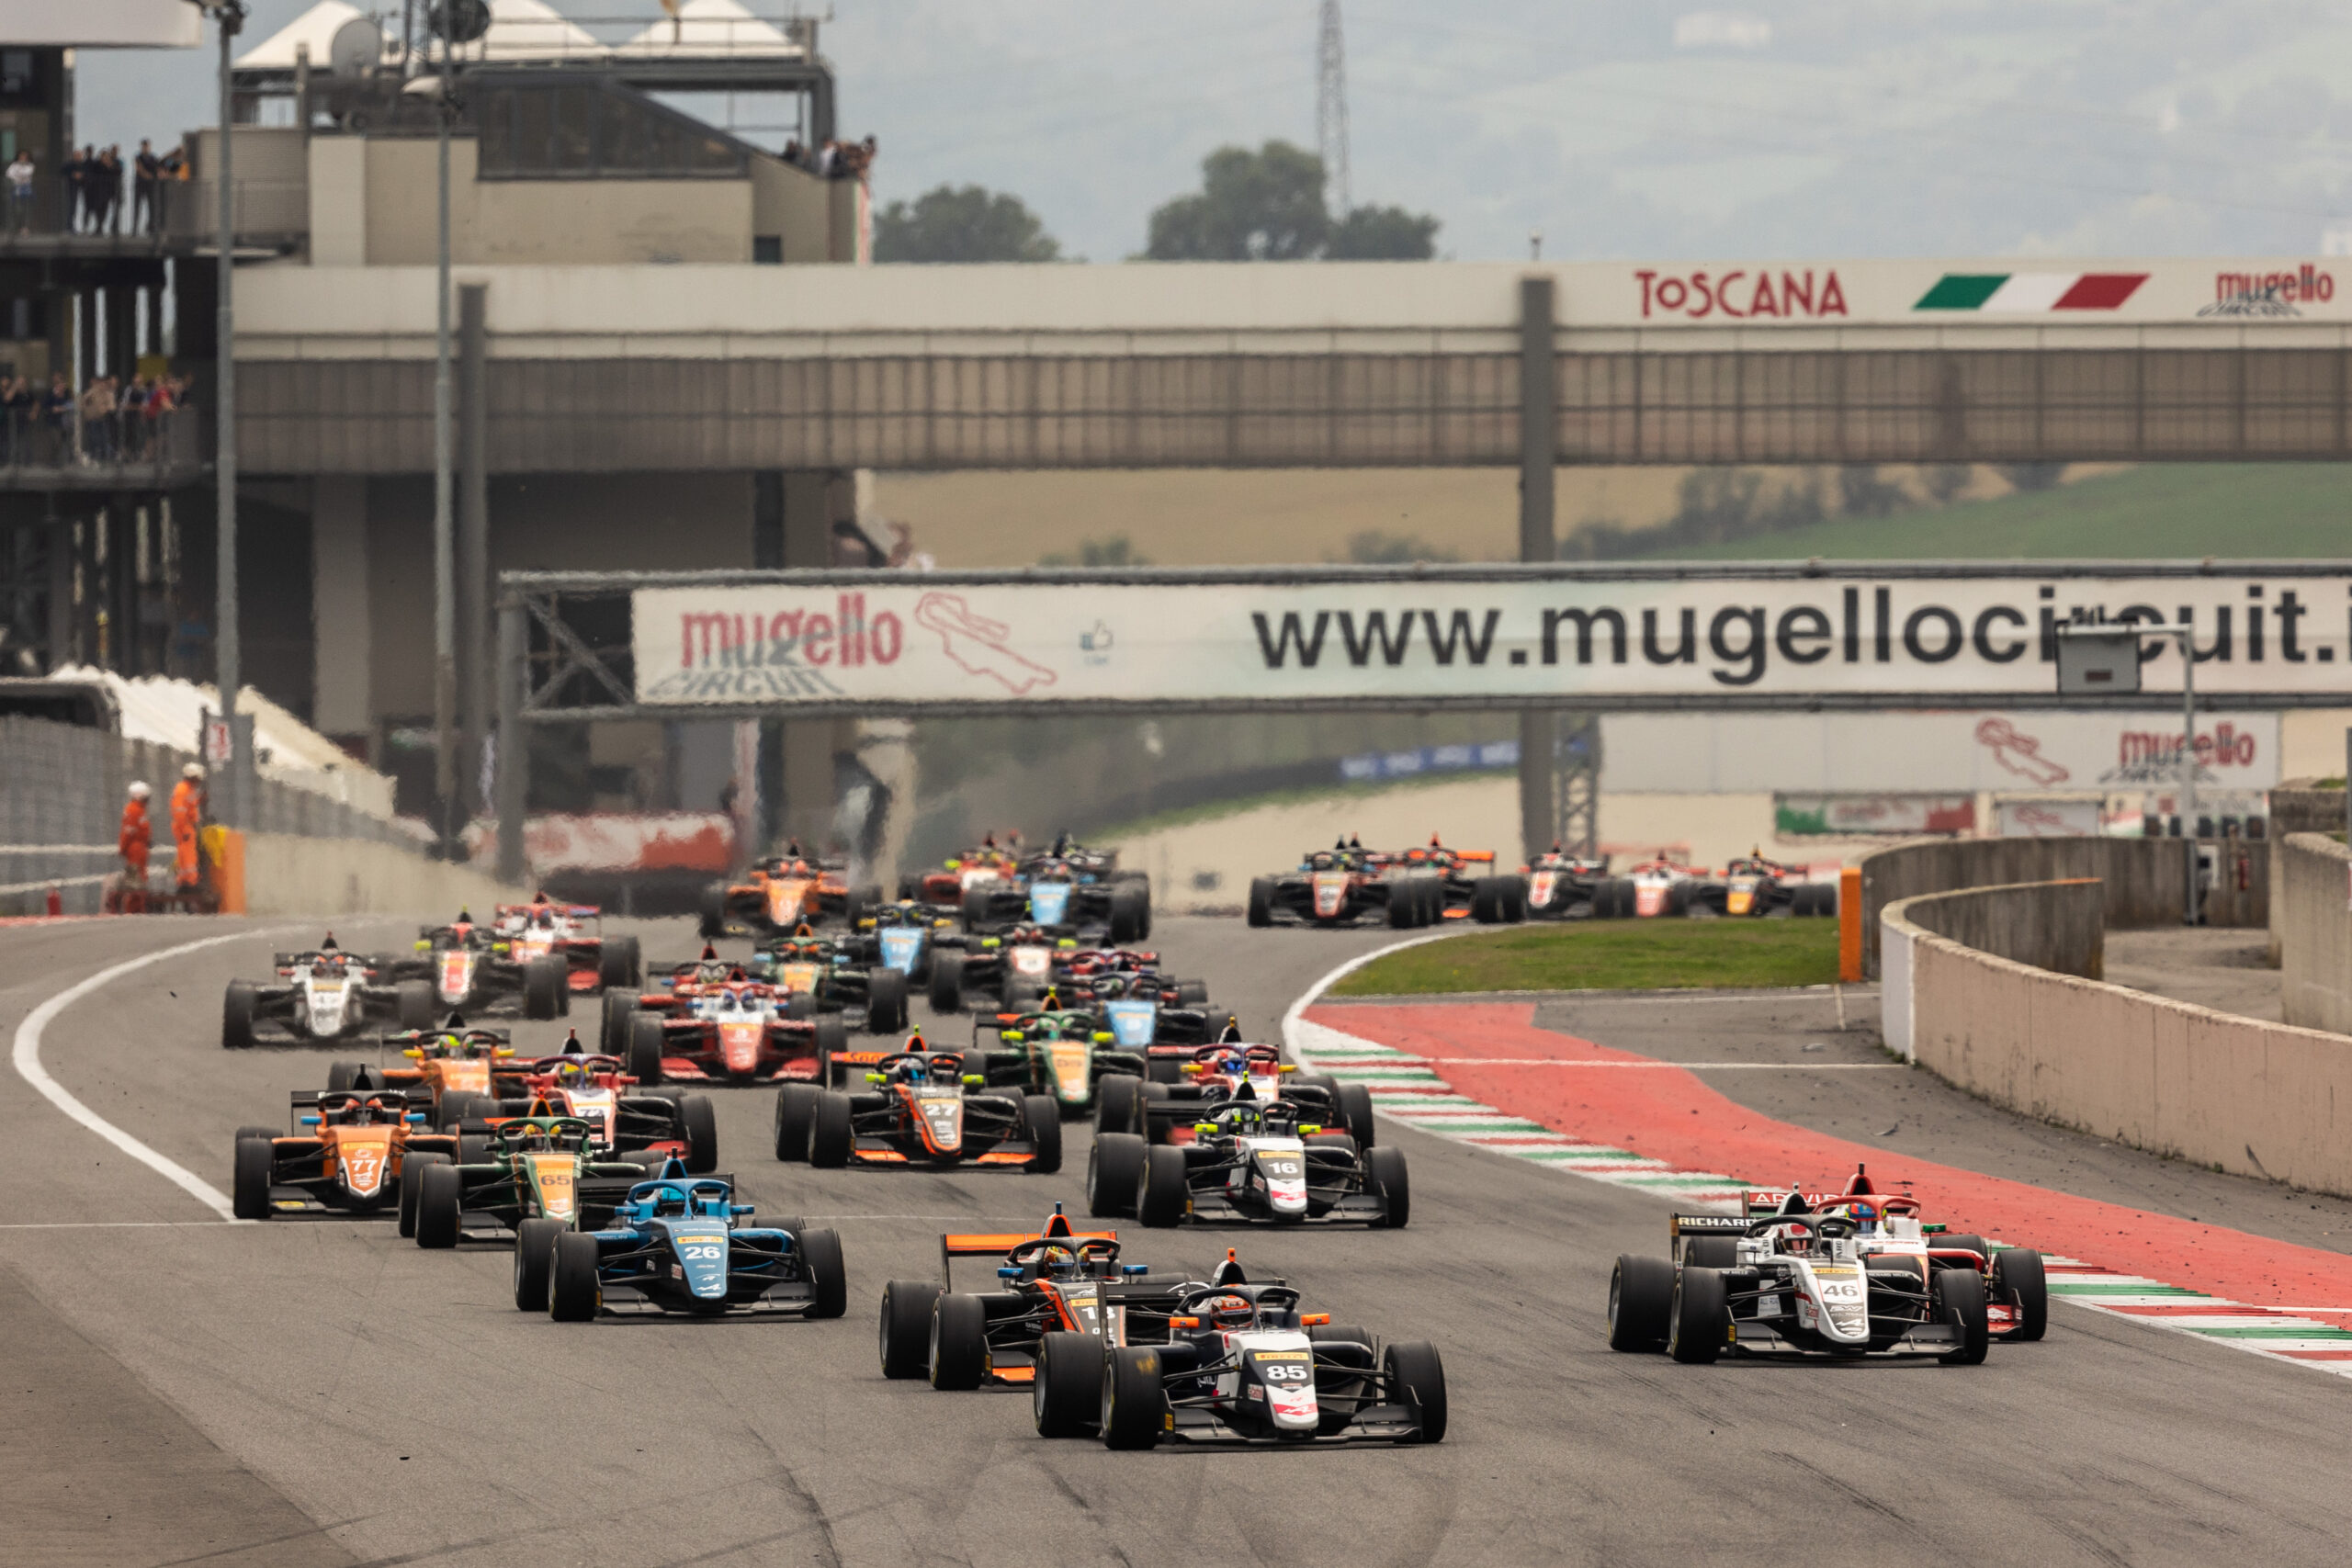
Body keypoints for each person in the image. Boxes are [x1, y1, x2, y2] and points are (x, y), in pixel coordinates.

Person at [170, 762, 205, 893]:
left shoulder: (187, 789)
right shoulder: (182, 790)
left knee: (183, 854)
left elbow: (190, 805)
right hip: (184, 826)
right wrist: (184, 830)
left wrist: (200, 799)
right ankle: (191, 881)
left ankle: (183, 881)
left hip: (186, 825)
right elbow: (179, 812)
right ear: (193, 777)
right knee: (189, 854)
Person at [119, 782, 153, 901]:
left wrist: (122, 848)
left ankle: (139, 902)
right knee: (136, 878)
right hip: (136, 848)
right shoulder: (134, 810)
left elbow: (132, 831)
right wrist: (123, 848)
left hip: (140, 847)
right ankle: (136, 903)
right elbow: (129, 831)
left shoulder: (138, 810)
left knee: (138, 877)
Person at [133, 141, 159, 234]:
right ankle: (135, 228)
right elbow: (139, 169)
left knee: (152, 207)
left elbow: (157, 170)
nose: (145, 148)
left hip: (150, 186)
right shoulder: (138, 157)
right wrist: (148, 176)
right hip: (140, 185)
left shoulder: (153, 158)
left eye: (147, 146)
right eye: (144, 146)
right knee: (137, 207)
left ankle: (152, 227)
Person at [6, 148, 32, 233]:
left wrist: (18, 174)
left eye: (25, 156)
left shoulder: (29, 165)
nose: (23, 158)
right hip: (16, 188)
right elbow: (9, 174)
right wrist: (19, 176)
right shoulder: (14, 165)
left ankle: (25, 227)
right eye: (21, 156)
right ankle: (16, 226)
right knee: (16, 208)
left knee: (26, 208)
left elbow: (27, 173)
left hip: (26, 189)